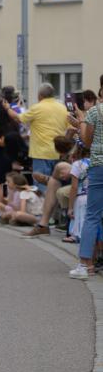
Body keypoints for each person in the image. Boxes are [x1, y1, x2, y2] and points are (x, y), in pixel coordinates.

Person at [20, 83, 76, 189]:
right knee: (56, 185)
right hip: (58, 153)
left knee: (41, 186)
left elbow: (20, 118)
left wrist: (8, 109)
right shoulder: (63, 108)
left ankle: (44, 205)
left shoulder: (37, 108)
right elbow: (72, 129)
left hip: (41, 153)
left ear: (40, 95)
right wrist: (64, 148)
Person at [75, 94, 103, 278]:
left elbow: (86, 141)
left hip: (99, 166)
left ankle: (86, 264)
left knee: (92, 215)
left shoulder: (95, 111)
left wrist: (81, 123)